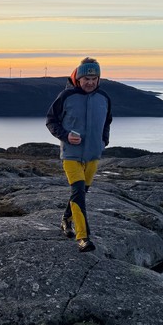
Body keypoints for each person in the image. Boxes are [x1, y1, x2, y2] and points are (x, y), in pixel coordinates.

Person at [45, 57, 112, 252]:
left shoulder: (104, 98)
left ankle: (66, 219)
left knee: (81, 193)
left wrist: (104, 141)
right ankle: (83, 237)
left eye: (94, 78)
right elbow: (51, 120)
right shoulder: (66, 96)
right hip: (71, 155)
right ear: (78, 78)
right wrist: (65, 135)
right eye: (86, 79)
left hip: (93, 155)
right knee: (78, 193)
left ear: (98, 79)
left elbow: (107, 121)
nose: (90, 82)